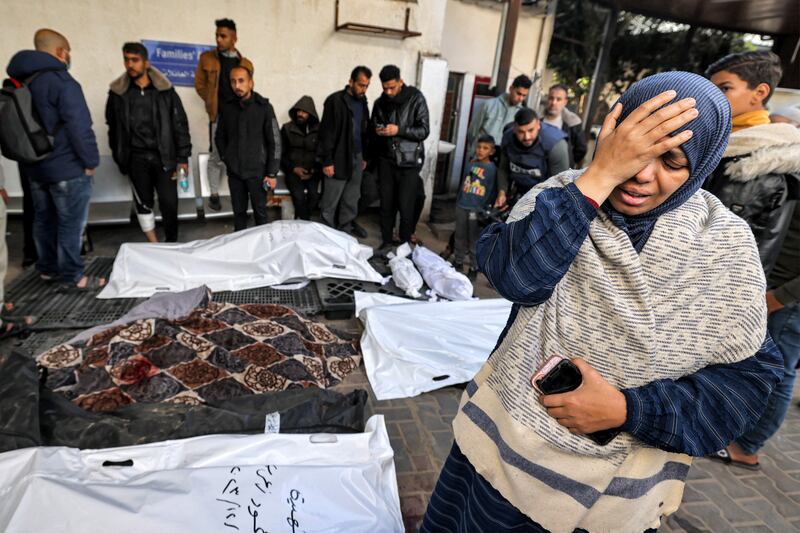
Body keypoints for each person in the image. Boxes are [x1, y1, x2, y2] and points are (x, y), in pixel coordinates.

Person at [420, 72, 782, 532]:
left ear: (702, 165)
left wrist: (627, 410)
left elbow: (746, 386)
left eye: (672, 161)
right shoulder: (561, 197)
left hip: (613, 501)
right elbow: (519, 277)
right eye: (634, 147)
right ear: (610, 134)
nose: (643, 175)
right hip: (498, 463)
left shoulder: (724, 246)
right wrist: (599, 177)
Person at [703, 51, 800, 469]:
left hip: (776, 290)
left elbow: (747, 239)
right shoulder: (734, 147)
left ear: (760, 94)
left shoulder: (770, 161)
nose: (716, 97)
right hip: (765, 284)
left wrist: (776, 296)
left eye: (725, 88)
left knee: (775, 365)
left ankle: (748, 445)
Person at [6, 29, 102, 289]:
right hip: (67, 167)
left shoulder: (22, 81)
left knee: (44, 220)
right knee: (70, 224)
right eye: (68, 52)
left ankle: (47, 269)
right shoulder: (62, 82)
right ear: (61, 52)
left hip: (34, 167)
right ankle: (74, 277)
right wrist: (90, 161)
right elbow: (79, 126)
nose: (69, 57)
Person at [106, 42, 191, 243]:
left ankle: (171, 243)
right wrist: (120, 158)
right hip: (136, 158)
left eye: (135, 60)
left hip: (165, 157)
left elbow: (180, 125)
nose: (130, 65)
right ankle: (154, 245)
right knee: (144, 203)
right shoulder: (118, 94)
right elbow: (113, 128)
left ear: (146, 62)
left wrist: (183, 158)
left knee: (169, 203)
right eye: (126, 60)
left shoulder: (165, 92)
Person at [195, 18, 254, 212]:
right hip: (219, 116)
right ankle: (213, 194)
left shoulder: (245, 63)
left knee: (240, 151)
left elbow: (248, 89)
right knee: (216, 155)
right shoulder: (207, 58)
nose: (219, 39)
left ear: (234, 38)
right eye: (217, 35)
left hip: (240, 116)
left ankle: (241, 194)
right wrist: (213, 101)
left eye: (223, 36)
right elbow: (200, 86)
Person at [371, 65, 430, 250]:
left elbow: (424, 130)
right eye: (385, 88)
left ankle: (404, 245)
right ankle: (387, 242)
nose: (388, 92)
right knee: (386, 205)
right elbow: (374, 126)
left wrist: (400, 130)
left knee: (406, 207)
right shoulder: (380, 103)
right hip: (386, 160)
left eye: (392, 87)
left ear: (400, 82)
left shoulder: (416, 98)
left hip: (409, 162)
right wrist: (378, 130)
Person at [215, 66, 280, 231]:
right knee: (239, 214)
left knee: (261, 214)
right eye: (233, 81)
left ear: (251, 83)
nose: (237, 85)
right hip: (235, 171)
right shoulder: (227, 108)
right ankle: (241, 250)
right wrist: (227, 157)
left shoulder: (264, 107)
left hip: (257, 172)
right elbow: (219, 137)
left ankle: (263, 249)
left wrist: (272, 172)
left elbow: (275, 141)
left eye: (241, 81)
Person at [317, 66, 372, 237]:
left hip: (357, 156)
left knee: (351, 197)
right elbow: (325, 133)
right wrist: (327, 160)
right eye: (361, 85)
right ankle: (326, 232)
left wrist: (364, 155)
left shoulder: (363, 102)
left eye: (367, 86)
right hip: (338, 157)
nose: (363, 89)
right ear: (351, 82)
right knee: (331, 198)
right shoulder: (334, 101)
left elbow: (364, 129)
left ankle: (345, 230)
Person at [496, 107, 569, 208]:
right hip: (518, 191)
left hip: (545, 196)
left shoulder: (556, 145)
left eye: (531, 130)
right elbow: (503, 168)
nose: (527, 137)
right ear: (514, 129)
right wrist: (502, 192)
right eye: (521, 132)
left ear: (538, 125)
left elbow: (561, 183)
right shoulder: (507, 138)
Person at [453, 135, 497, 279]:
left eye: (485, 148)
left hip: (476, 210)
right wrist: (458, 200)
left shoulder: (492, 170)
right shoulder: (470, 164)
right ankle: (458, 261)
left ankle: (473, 266)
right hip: (462, 206)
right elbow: (463, 183)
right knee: (459, 235)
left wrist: (484, 210)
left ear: (491, 151)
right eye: (479, 147)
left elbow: (491, 191)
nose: (480, 151)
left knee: (474, 239)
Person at [466, 74, 531, 157]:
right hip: (478, 157)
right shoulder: (489, 105)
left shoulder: (521, 114)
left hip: (500, 160)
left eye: (524, 95)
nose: (521, 98)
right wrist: (475, 151)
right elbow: (472, 131)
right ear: (511, 89)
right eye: (518, 93)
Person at [280, 96, 321, 221]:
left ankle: (302, 219)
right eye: (298, 111)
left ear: (311, 113)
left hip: (312, 172)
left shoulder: (319, 130)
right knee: (298, 197)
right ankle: (305, 221)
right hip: (293, 171)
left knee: (314, 197)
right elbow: (280, 154)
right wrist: (293, 168)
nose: (300, 114)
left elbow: (322, 153)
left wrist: (314, 171)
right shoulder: (287, 128)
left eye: (303, 112)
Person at [542, 83, 588, 167]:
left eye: (558, 99)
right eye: (551, 98)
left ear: (565, 102)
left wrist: (568, 161)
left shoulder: (573, 123)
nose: (553, 102)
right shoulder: (538, 121)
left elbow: (581, 149)